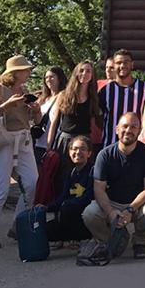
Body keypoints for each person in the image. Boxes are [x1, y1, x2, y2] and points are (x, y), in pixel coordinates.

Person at [0, 55, 42, 249]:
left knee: (32, 182)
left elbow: (36, 121)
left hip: (23, 140)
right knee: (1, 189)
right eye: (25, 69)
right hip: (5, 140)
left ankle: (18, 224)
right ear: (14, 72)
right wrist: (7, 105)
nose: (29, 72)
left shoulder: (24, 91)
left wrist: (36, 110)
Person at [82, 112, 145, 260]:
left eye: (133, 127)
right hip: (112, 202)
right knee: (90, 213)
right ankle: (109, 242)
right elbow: (98, 188)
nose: (128, 130)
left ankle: (140, 242)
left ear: (139, 131)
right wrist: (111, 212)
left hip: (137, 204)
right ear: (117, 129)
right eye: (124, 126)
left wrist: (131, 209)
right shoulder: (104, 155)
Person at [48, 61, 102, 197]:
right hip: (65, 140)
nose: (84, 74)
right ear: (76, 73)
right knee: (62, 176)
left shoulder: (94, 98)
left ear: (92, 75)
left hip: (84, 140)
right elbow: (54, 122)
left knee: (83, 177)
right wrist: (49, 146)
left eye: (88, 71)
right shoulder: (64, 95)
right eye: (82, 70)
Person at [41, 135, 94, 245]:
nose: (78, 152)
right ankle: (71, 238)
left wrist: (67, 204)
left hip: (86, 216)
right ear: (69, 153)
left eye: (82, 149)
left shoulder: (93, 172)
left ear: (89, 153)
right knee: (44, 230)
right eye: (74, 149)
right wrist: (47, 207)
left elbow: (90, 196)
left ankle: (81, 238)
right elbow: (63, 196)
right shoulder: (70, 173)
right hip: (69, 214)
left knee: (68, 209)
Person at [98, 49, 145, 149]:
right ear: (114, 66)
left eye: (126, 62)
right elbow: (99, 118)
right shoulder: (105, 90)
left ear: (132, 65)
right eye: (118, 63)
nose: (122, 66)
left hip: (137, 145)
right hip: (110, 144)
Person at [34, 67, 66, 164]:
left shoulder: (62, 95)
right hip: (39, 142)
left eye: (52, 77)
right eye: (46, 77)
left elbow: (55, 121)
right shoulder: (43, 98)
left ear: (59, 78)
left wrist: (49, 144)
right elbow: (37, 121)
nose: (48, 80)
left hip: (52, 143)